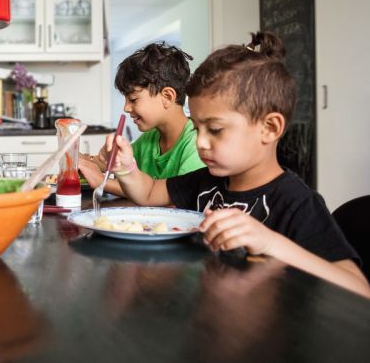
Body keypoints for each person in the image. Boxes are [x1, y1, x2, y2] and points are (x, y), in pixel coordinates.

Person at [102, 32, 370, 298]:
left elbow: (359, 287)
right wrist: (126, 167)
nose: (201, 142)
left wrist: (271, 242)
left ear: (269, 127)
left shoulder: (296, 203)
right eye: (197, 128)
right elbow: (148, 193)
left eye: (215, 130)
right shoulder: (206, 181)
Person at [80, 42, 205, 196]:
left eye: (133, 99)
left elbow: (172, 199)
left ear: (167, 97)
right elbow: (118, 166)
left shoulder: (196, 144)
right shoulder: (150, 139)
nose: (126, 108)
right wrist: (86, 159)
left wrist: (101, 181)